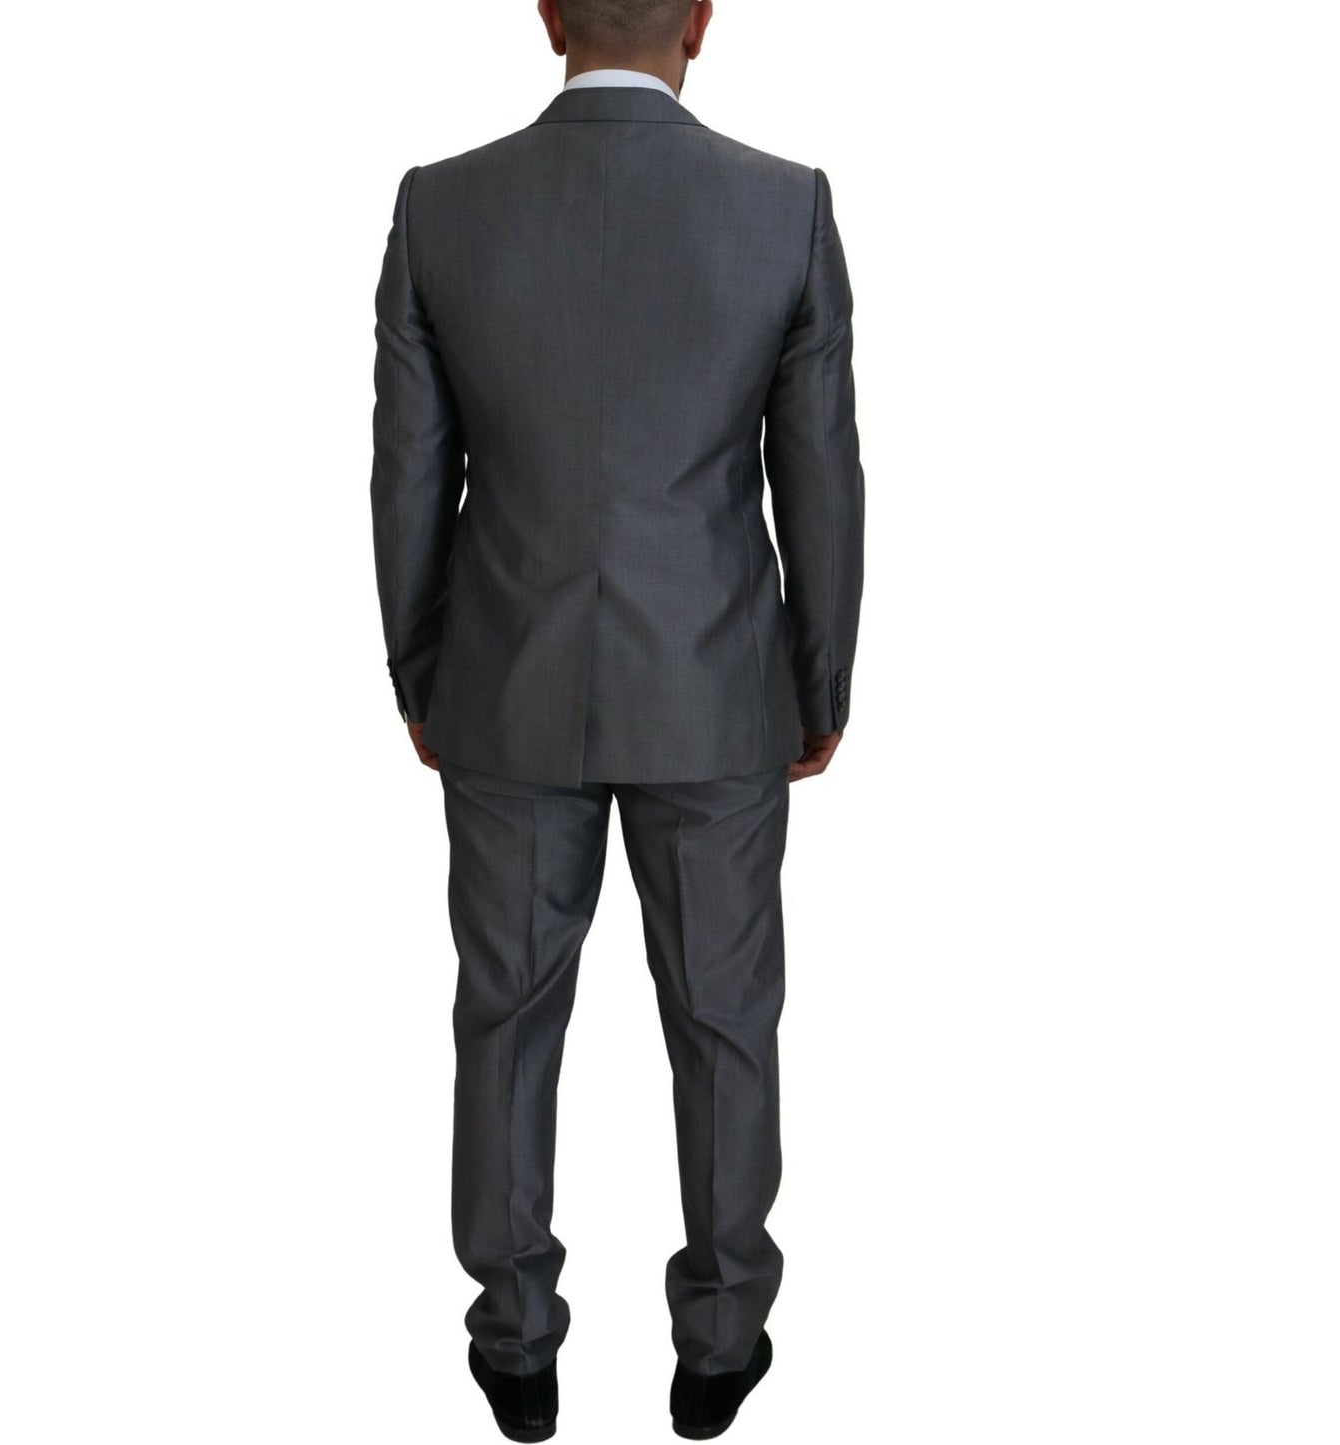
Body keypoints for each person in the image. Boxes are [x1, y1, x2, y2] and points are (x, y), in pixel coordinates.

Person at [369, 1, 864, 1437]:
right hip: (718, 694)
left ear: (545, 17)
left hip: (504, 689)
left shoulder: (441, 209)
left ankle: (514, 1341)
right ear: (702, 21)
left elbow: (408, 472)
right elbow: (821, 474)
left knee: (505, 1017)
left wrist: (421, 673)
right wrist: (820, 682)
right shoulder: (783, 210)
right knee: (725, 1019)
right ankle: (721, 1339)